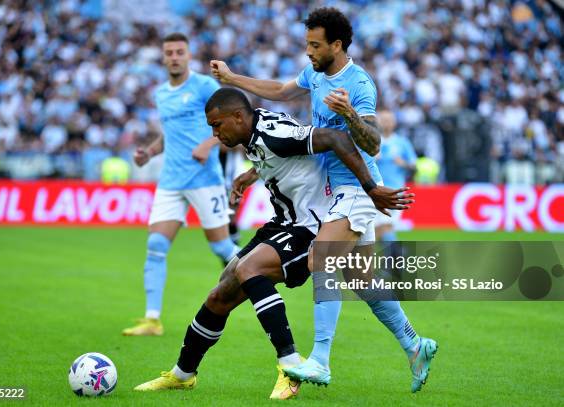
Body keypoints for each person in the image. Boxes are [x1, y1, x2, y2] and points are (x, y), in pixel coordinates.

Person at [210, 7, 437, 392]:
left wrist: (349, 114)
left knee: (320, 257)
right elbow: (282, 91)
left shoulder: (359, 84)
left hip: (357, 188)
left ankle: (319, 360)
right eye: (306, 44)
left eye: (315, 45)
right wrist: (233, 78)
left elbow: (373, 142)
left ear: (337, 44)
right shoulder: (315, 74)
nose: (308, 52)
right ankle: (416, 345)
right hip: (331, 191)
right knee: (362, 280)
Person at [134, 89, 413, 399]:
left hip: (311, 226)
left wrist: (372, 189)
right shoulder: (254, 135)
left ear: (238, 117)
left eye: (217, 125)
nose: (215, 133)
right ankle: (182, 374)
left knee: (250, 269)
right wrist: (253, 173)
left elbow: (336, 139)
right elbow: (282, 155)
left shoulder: (273, 132)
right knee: (221, 292)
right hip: (284, 223)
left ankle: (290, 363)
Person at [122, 33, 239, 337]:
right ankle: (151, 319)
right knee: (156, 245)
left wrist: (208, 143)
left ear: (188, 56)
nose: (174, 57)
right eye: (169, 52)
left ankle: (263, 276)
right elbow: (168, 134)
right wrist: (149, 152)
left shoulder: (204, 86)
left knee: (222, 247)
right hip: (171, 181)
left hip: (205, 179)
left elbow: (231, 124)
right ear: (163, 58)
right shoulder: (161, 94)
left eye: (179, 52)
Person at [374, 110, 417, 242]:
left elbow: (414, 166)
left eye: (389, 120)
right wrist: (372, 159)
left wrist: (403, 163)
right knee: (379, 227)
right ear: (377, 122)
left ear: (394, 122)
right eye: (383, 119)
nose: (386, 123)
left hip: (396, 191)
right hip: (375, 191)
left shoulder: (402, 142)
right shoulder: (372, 141)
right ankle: (394, 256)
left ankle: (392, 257)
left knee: (385, 226)